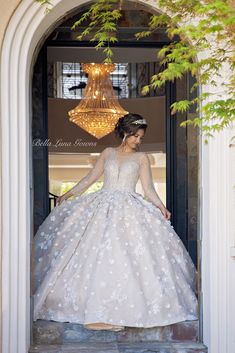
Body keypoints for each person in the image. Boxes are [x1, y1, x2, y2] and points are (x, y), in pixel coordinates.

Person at [33, 113, 198, 332]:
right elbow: (91, 178)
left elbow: (148, 189)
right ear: (125, 133)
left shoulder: (141, 158)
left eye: (141, 138)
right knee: (94, 253)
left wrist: (161, 206)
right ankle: (91, 307)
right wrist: (69, 194)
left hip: (130, 208)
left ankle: (122, 308)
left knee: (127, 254)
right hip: (101, 206)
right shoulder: (108, 153)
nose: (138, 141)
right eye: (135, 136)